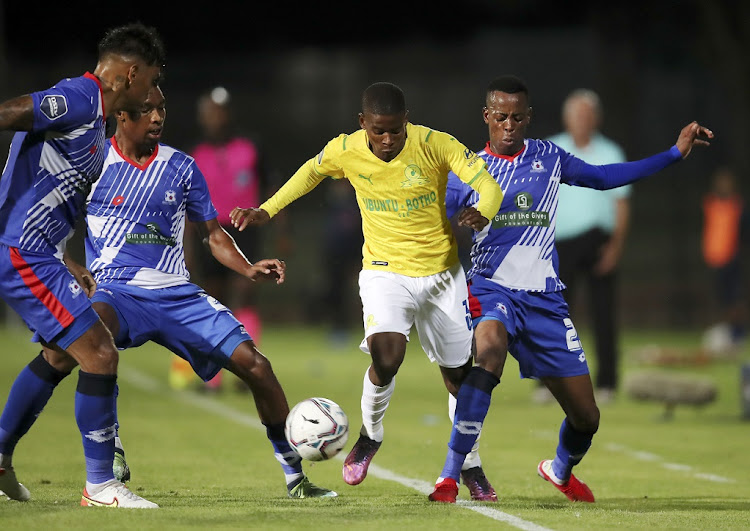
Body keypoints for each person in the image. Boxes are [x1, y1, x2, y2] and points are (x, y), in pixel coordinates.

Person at [40, 85, 337, 499]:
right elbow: (53, 221)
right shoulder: (93, 163)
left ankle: (295, 478)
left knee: (258, 367)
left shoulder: (181, 165)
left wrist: (249, 268)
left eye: (162, 108)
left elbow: (213, 234)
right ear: (122, 115)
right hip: (116, 291)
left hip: (177, 293)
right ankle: (106, 450)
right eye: (148, 109)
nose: (159, 116)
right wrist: (68, 267)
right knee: (82, 347)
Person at [428, 75, 712, 503]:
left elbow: (604, 176)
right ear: (487, 117)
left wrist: (674, 154)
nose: (509, 125)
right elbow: (431, 225)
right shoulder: (466, 170)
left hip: (544, 301)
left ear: (529, 118)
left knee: (587, 416)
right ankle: (449, 477)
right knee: (488, 351)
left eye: (517, 118)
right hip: (492, 290)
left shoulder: (548, 156)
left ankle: (560, 470)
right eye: (501, 117)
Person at [230, 82, 505, 501]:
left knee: (458, 379)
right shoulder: (346, 149)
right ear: (363, 124)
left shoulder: (436, 145)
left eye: (396, 130)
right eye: (379, 131)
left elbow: (489, 186)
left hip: (442, 275)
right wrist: (267, 209)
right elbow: (310, 172)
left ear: (406, 121)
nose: (388, 139)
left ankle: (470, 464)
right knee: (387, 355)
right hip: (384, 272)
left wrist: (482, 211)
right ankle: (370, 436)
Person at [0, 23, 165, 508]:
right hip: (21, 252)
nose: (155, 94)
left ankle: (1, 457)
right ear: (131, 73)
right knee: (99, 353)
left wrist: (66, 258)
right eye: (151, 80)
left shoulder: (94, 122)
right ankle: (100, 485)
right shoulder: (78, 97)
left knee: (60, 353)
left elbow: (47, 190)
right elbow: (9, 112)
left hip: (41, 252)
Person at [172, 86, 279, 392]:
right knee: (214, 301)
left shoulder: (251, 147)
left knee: (246, 295)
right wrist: (186, 247)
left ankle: (249, 372)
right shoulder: (195, 154)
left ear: (228, 114)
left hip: (245, 228)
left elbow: (271, 189)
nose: (213, 118)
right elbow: (187, 205)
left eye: (218, 111)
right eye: (208, 112)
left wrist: (282, 230)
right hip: (209, 232)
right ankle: (214, 379)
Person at [542, 89, 630, 405]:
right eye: (576, 115)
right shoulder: (552, 150)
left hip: (597, 240)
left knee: (603, 313)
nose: (581, 121)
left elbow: (622, 203)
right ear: (567, 119)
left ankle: (606, 382)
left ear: (596, 118)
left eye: (587, 115)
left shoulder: (610, 151)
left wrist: (615, 247)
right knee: (552, 315)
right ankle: (549, 383)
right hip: (558, 243)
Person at [701, 166, 748, 351]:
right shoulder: (710, 204)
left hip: (733, 259)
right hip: (715, 259)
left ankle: (738, 334)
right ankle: (724, 333)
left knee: (735, 299)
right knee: (720, 299)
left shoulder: (738, 206)